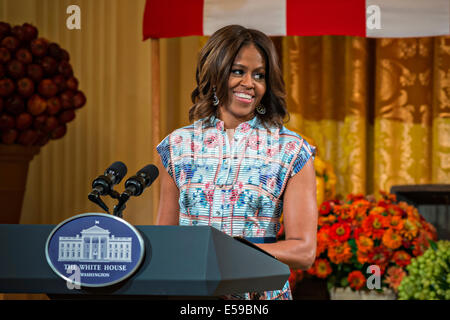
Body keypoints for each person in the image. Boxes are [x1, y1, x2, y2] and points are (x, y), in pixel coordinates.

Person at [156, 25, 318, 300]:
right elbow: (165, 242)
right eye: (238, 71)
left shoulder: (291, 150)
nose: (249, 83)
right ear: (215, 73)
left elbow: (304, 251)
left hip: (259, 296)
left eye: (259, 75)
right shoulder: (176, 146)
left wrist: (231, 253)